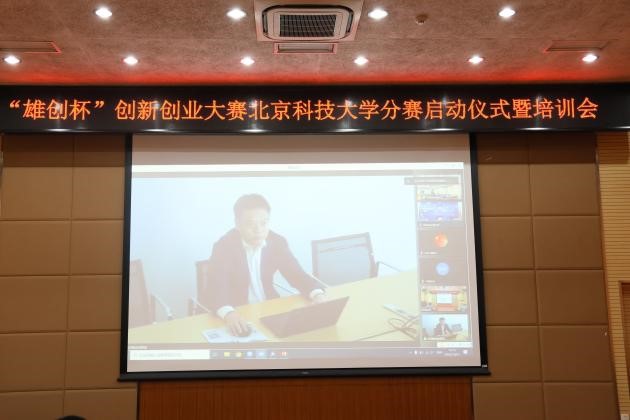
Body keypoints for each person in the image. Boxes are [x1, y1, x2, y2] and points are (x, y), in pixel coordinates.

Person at [208, 194, 325, 336]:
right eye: (250, 224)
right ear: (237, 224)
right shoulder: (223, 247)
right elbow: (216, 290)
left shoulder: (277, 242)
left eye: (263, 223)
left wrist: (317, 295)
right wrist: (229, 313)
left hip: (269, 309)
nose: (258, 230)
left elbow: (297, 275)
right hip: (238, 313)